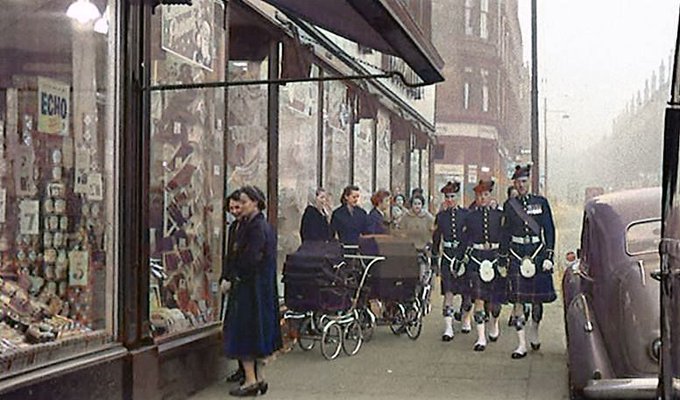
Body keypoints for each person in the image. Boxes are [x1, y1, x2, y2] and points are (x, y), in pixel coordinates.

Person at [223, 186, 282, 396]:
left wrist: (234, 277)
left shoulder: (256, 227)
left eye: (245, 202)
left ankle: (251, 380)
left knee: (246, 332)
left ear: (255, 203)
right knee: (259, 332)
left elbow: (250, 258)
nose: (240, 207)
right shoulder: (256, 225)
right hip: (259, 288)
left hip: (251, 288)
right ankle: (259, 378)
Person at [499, 165, 557, 359]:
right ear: (514, 184)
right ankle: (521, 343)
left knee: (537, 300)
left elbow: (549, 230)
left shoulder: (541, 203)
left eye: (524, 182)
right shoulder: (510, 205)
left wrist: (549, 255)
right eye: (518, 182)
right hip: (517, 254)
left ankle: (535, 332)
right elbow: (505, 233)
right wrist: (502, 258)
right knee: (517, 299)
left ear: (529, 182)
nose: (521, 185)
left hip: (537, 253)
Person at [461, 180, 506, 351]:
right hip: (476, 258)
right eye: (479, 195)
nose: (482, 198)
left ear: (490, 196)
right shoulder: (470, 216)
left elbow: (504, 239)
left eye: (485, 195)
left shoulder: (499, 216)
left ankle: (493, 322)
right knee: (478, 299)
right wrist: (459, 261)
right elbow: (465, 240)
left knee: (495, 302)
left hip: (494, 257)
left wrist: (504, 258)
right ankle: (480, 337)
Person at [431, 181, 470, 341]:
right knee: (448, 291)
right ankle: (448, 327)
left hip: (462, 257)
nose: (450, 200)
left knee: (467, 293)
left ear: (458, 197)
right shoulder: (441, 217)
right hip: (447, 256)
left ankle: (466, 318)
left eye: (452, 196)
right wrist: (434, 258)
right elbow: (436, 238)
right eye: (447, 197)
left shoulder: (466, 215)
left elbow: (470, 236)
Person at [221, 190, 247, 385]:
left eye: (237, 207)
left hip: (244, 284)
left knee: (244, 328)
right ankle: (241, 369)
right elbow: (229, 256)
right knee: (235, 328)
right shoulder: (233, 228)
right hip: (233, 282)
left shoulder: (250, 228)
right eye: (231, 208)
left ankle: (248, 373)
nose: (234, 211)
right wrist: (225, 276)